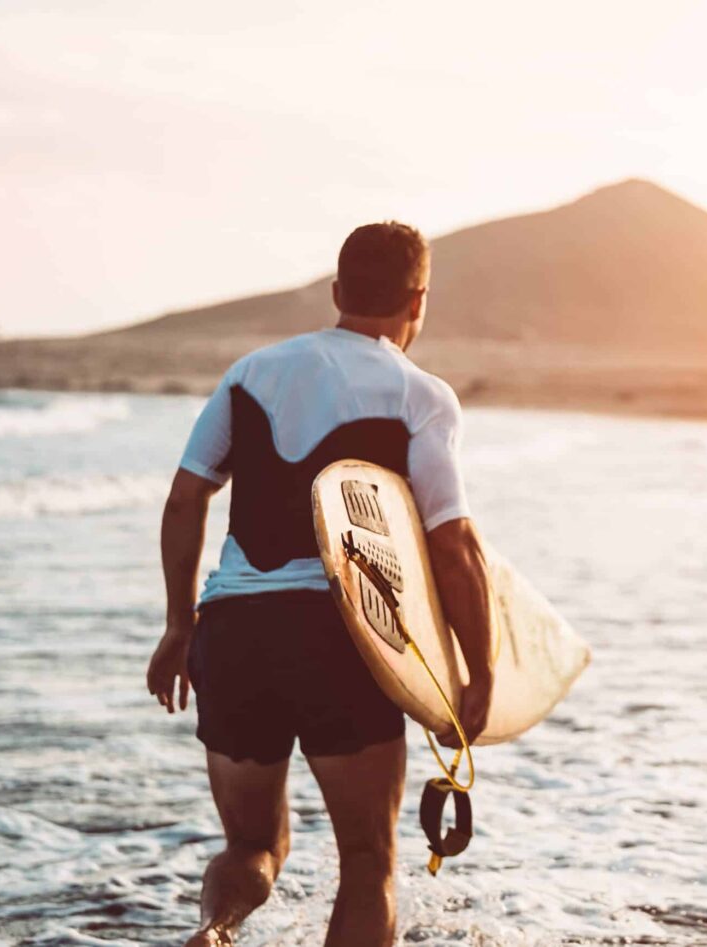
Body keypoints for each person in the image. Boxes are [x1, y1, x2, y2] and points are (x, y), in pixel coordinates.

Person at [145, 222, 494, 947]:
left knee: (252, 846)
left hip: (234, 630)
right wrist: (479, 669)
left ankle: (214, 928)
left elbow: (185, 499)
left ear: (337, 292)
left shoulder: (251, 373)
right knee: (368, 862)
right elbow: (452, 544)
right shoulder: (420, 394)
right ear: (418, 300)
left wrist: (181, 625)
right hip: (346, 638)